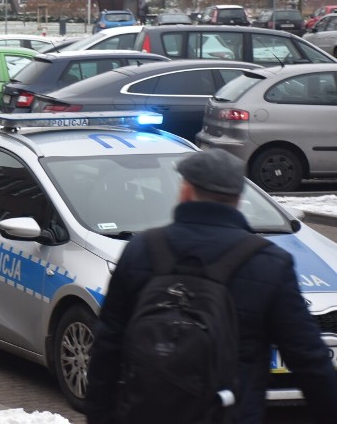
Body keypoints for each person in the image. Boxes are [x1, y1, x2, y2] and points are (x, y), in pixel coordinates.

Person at [85, 149, 337, 424]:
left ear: (186, 191)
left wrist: (100, 415)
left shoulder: (142, 250)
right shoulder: (268, 261)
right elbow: (307, 357)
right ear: (238, 199)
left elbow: (107, 345)